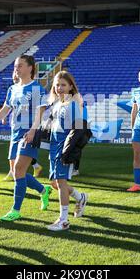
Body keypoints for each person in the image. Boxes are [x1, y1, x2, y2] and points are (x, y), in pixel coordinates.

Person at [0, 55, 52, 221]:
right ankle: (44, 191)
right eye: (15, 66)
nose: (16, 69)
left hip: (29, 134)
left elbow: (39, 113)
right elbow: (6, 109)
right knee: (17, 173)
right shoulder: (12, 89)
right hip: (14, 134)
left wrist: (32, 131)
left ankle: (15, 210)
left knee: (19, 170)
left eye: (20, 66)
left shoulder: (36, 89)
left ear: (30, 68)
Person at [40, 71, 88, 231]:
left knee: (60, 183)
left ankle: (63, 220)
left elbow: (79, 129)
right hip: (53, 148)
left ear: (70, 87)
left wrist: (68, 151)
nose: (59, 88)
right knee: (54, 183)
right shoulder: (56, 104)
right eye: (57, 84)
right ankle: (80, 197)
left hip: (63, 149)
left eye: (63, 85)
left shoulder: (72, 104)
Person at [1, 70, 43, 181]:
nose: (15, 76)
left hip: (26, 127)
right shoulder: (13, 89)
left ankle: (14, 172)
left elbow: (27, 107)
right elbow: (12, 106)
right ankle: (24, 170)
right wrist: (4, 116)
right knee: (15, 152)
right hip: (16, 125)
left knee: (20, 155)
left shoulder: (32, 89)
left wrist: (33, 129)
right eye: (14, 74)